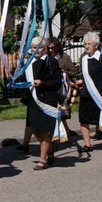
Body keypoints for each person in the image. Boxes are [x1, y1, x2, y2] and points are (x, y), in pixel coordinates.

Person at [22, 37, 62, 170]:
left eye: (39, 47)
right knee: (36, 131)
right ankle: (50, 151)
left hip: (47, 100)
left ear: (45, 49)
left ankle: (42, 159)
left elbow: (57, 82)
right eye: (34, 47)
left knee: (44, 131)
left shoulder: (51, 62)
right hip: (34, 100)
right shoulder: (28, 64)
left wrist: (43, 83)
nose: (36, 50)